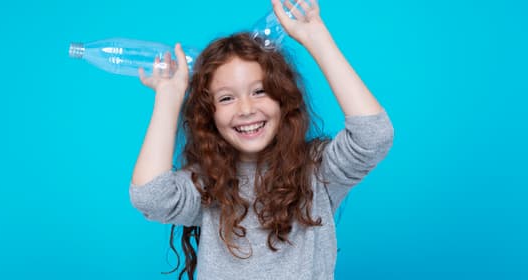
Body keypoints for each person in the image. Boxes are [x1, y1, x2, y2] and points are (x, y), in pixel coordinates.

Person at [129, 0, 393, 279]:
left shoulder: (317, 170)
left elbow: (373, 136)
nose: (245, 109)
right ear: (210, 116)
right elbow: (150, 197)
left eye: (259, 91)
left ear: (283, 99)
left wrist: (316, 37)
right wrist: (169, 96)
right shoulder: (207, 183)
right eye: (227, 98)